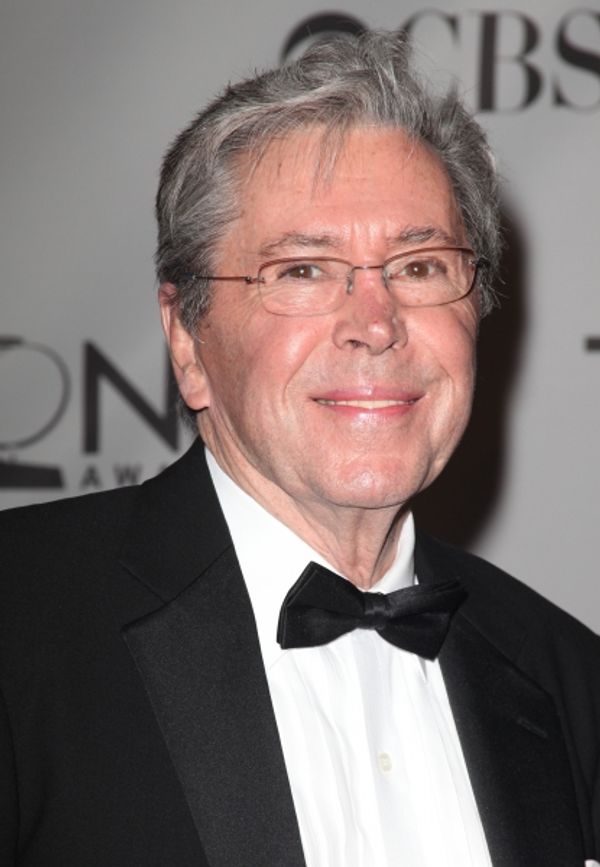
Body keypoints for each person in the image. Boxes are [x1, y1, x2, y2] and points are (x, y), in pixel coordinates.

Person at [0, 30, 598, 867]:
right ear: (187, 340)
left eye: (420, 266)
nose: (377, 323)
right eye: (304, 271)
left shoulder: (572, 680)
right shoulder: (20, 620)